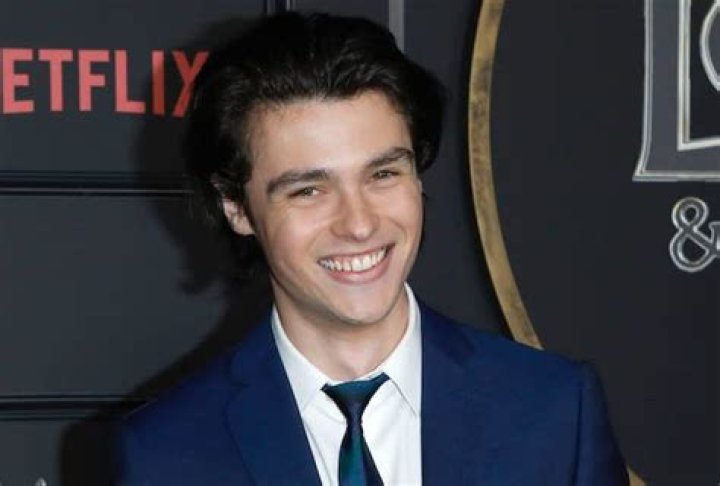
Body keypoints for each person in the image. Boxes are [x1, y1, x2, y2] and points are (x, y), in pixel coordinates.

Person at [116, 12, 628, 485]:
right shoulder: (165, 454)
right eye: (308, 190)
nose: (359, 224)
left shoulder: (555, 411)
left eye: (382, 174)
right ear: (237, 208)